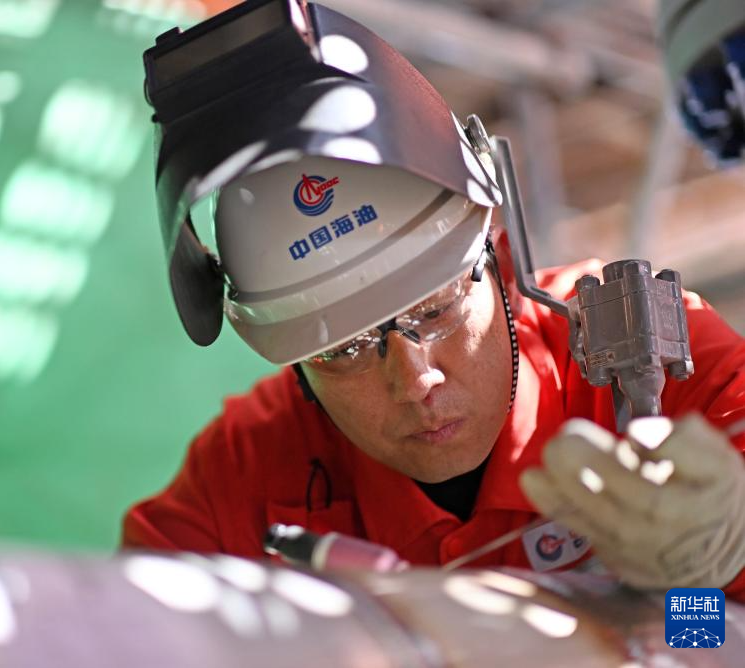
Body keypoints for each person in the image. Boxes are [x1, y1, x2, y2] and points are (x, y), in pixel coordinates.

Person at [124, 0, 745, 600]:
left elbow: (715, 638)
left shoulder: (665, 364)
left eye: (435, 309)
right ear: (297, 367)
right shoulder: (247, 478)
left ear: (500, 255)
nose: (414, 380)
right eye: (344, 349)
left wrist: (698, 598)